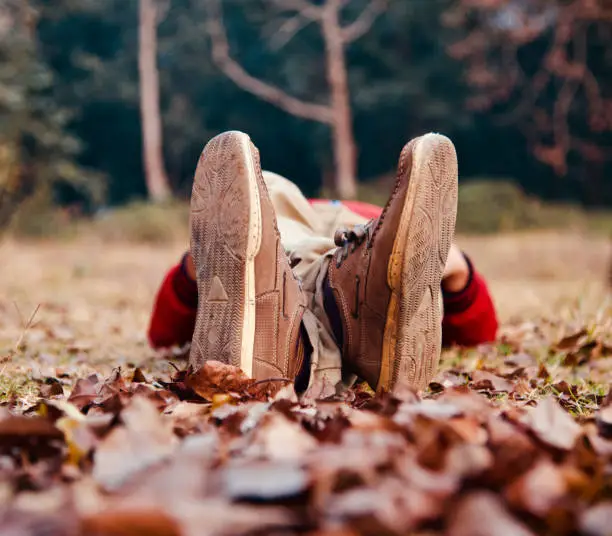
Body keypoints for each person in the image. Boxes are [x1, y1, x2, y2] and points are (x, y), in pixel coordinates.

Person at [148, 131, 498, 396]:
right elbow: (481, 333)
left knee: (280, 211)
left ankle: (288, 339)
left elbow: (162, 335)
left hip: (347, 241)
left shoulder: (377, 220)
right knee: (285, 230)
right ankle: (352, 317)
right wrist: (458, 270)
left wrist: (451, 266)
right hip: (329, 245)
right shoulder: (370, 219)